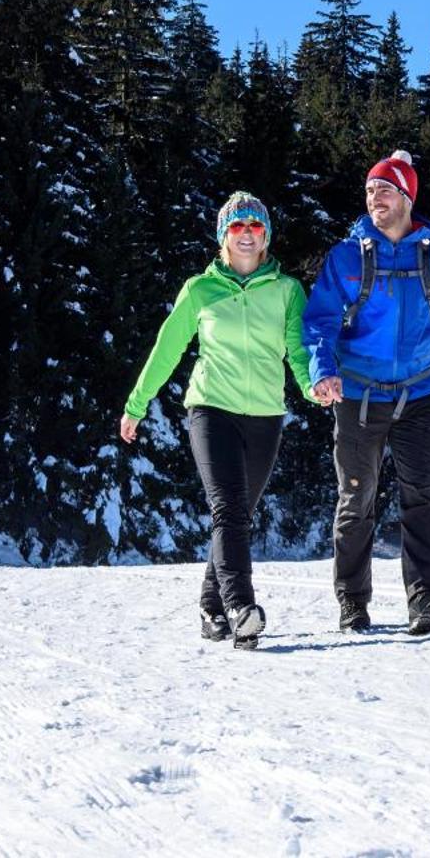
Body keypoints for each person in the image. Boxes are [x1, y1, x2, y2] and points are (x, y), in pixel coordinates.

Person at [122, 192, 315, 649]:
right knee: (228, 508)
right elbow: (166, 349)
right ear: (223, 236)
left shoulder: (287, 290)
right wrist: (136, 404)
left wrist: (311, 387)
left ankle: (211, 607)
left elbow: (299, 349)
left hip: (266, 414)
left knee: (238, 514)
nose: (246, 234)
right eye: (237, 226)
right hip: (210, 409)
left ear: (266, 236)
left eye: (254, 226)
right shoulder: (199, 290)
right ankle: (240, 607)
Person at [305, 151, 430, 636]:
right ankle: (353, 604)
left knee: (422, 498)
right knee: (356, 501)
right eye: (369, 190)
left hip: (422, 395)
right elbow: (318, 322)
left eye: (383, 188)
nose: (373, 197)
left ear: (406, 196)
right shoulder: (346, 256)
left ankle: (426, 600)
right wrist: (323, 371)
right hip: (358, 394)